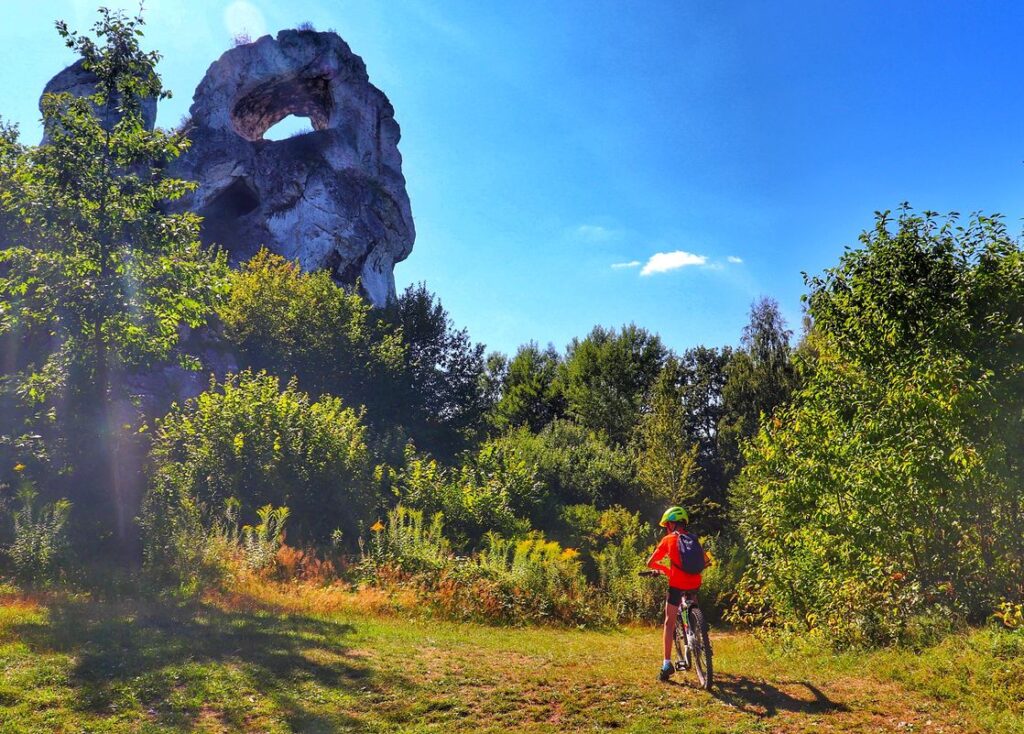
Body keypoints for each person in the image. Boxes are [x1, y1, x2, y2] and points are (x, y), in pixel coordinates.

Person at [646, 505, 708, 682]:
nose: (666, 528)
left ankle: (666, 664)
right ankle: (699, 631)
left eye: (667, 525)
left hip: (676, 585)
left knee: (669, 621)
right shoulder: (693, 539)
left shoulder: (668, 540)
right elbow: (705, 562)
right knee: (693, 600)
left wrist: (665, 570)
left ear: (672, 525)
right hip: (695, 582)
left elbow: (650, 563)